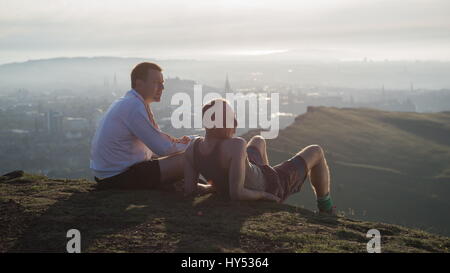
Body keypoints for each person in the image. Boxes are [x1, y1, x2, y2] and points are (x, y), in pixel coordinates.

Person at [183, 98, 336, 214]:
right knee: (316, 151)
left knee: (258, 140)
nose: (235, 123)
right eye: (231, 118)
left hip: (255, 171)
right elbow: (237, 194)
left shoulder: (192, 148)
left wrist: (211, 187)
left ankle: (266, 171)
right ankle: (326, 208)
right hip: (271, 185)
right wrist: (264, 195)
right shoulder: (236, 145)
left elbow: (190, 190)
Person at [90, 62, 193, 190]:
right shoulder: (134, 106)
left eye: (162, 83)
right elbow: (164, 149)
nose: (162, 88)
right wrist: (196, 144)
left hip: (110, 175)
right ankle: (207, 188)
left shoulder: (129, 102)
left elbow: (156, 145)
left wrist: (181, 143)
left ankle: (197, 185)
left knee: (185, 156)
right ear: (139, 84)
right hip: (118, 177)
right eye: (156, 83)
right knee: (193, 156)